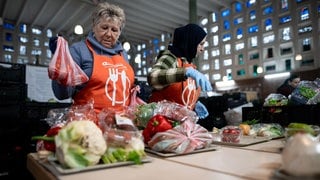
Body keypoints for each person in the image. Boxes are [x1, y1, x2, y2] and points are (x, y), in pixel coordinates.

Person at [49, 2, 135, 113]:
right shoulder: (79, 50)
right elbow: (62, 95)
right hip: (88, 122)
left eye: (114, 30)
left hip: (119, 123)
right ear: (94, 27)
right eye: (104, 28)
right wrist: (61, 68)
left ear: (119, 33)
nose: (109, 34)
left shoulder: (123, 55)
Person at [147, 23, 212, 119]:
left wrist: (194, 104)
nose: (203, 49)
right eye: (201, 44)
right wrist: (185, 72)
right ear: (191, 42)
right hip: (160, 122)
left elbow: (180, 94)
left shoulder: (190, 65)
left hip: (179, 124)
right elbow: (153, 77)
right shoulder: (170, 58)